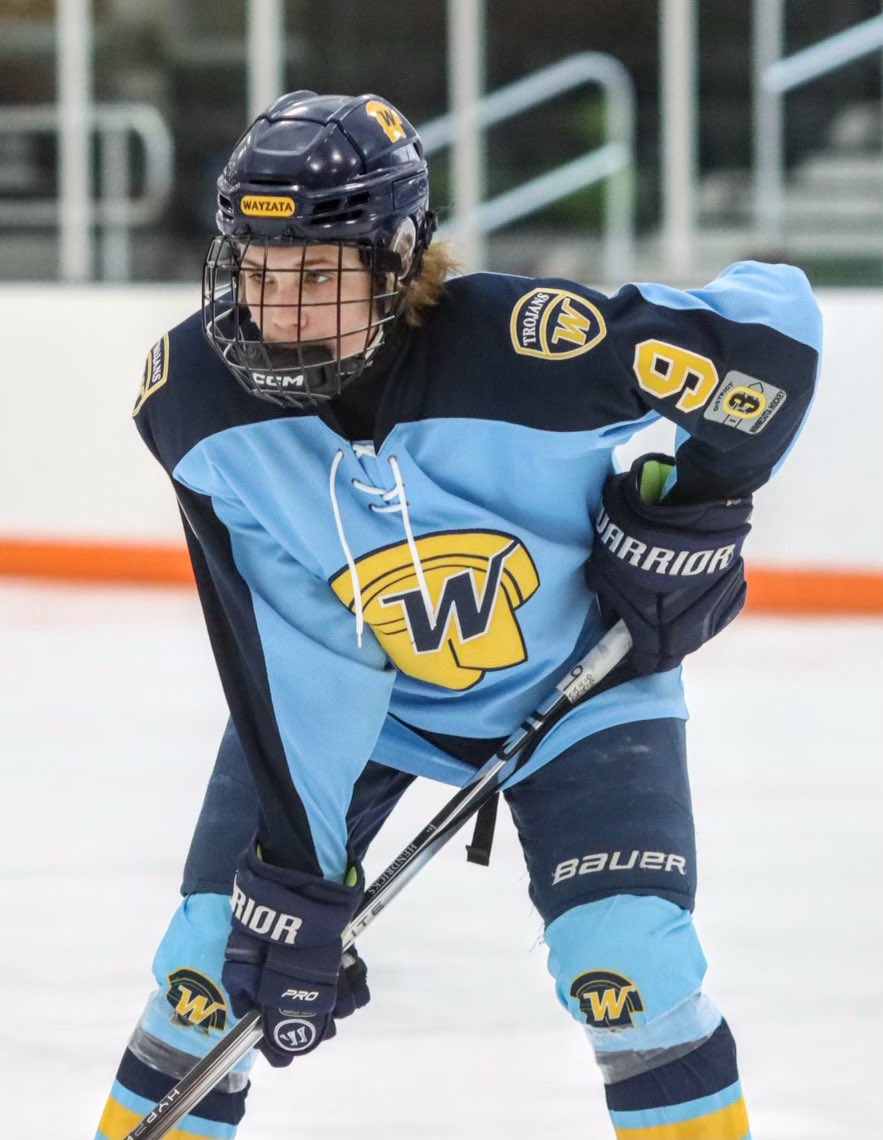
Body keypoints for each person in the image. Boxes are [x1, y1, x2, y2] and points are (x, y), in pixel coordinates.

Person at [95, 90, 821, 1140]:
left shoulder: (528, 347)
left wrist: (700, 500)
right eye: (256, 271)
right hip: (359, 705)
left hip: (579, 690)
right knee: (212, 970)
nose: (279, 310)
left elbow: (771, 339)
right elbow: (279, 636)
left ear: (396, 264)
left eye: (315, 274)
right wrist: (296, 875)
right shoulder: (197, 403)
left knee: (627, 963)